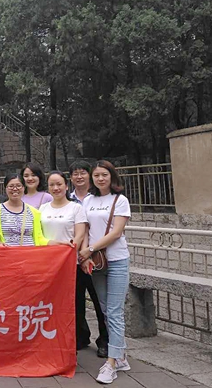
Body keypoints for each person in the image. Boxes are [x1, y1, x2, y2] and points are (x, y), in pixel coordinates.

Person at [79, 160, 132, 384]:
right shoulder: (88, 200)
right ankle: (120, 355)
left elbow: (116, 232)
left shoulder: (120, 200)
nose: (100, 179)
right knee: (105, 310)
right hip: (96, 263)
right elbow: (85, 229)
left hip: (117, 259)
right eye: (97, 175)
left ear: (112, 176)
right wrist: (85, 255)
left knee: (114, 311)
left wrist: (90, 249)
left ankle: (111, 362)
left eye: (104, 175)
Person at [40, 172, 97, 353]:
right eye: (52, 185)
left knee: (74, 302)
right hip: (48, 264)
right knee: (52, 302)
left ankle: (76, 339)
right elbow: (39, 235)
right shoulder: (42, 208)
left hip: (70, 263)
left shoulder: (75, 208)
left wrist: (70, 250)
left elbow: (80, 234)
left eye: (59, 184)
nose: (55, 188)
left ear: (66, 186)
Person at [68, 160, 109, 357]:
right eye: (75, 173)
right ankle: (81, 336)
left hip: (96, 257)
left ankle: (105, 340)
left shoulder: (99, 199)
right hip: (72, 259)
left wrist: (88, 252)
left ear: (89, 175)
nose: (79, 177)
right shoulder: (67, 199)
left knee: (100, 300)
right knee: (76, 301)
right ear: (70, 178)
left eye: (83, 173)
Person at [0, 174, 68, 247]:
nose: (15, 189)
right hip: (7, 255)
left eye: (18, 186)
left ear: (24, 188)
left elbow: (39, 238)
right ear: (5, 188)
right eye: (11, 186)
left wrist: (59, 243)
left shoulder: (34, 212)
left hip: (30, 254)